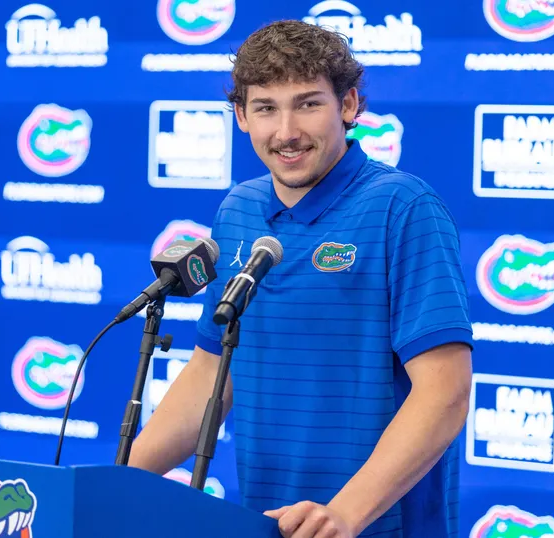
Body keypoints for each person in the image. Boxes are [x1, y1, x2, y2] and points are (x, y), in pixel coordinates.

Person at [129, 19, 473, 538]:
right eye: (266, 108)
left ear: (350, 106)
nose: (286, 131)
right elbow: (210, 375)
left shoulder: (404, 208)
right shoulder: (239, 209)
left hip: (375, 527)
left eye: (308, 103)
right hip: (269, 523)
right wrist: (117, 482)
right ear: (242, 116)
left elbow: (444, 391)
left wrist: (345, 514)